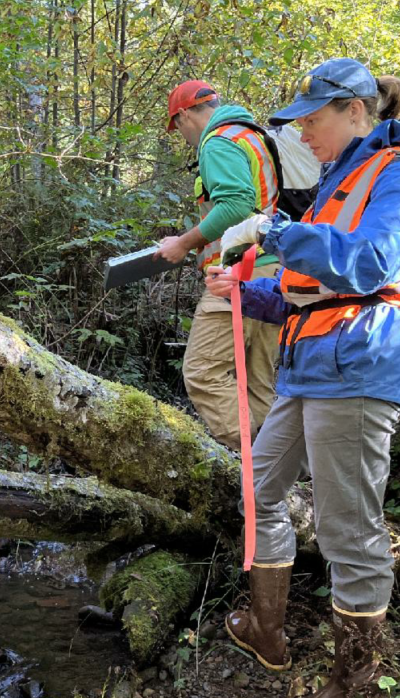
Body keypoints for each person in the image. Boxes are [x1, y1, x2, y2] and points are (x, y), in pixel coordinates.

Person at [204, 58, 400, 698]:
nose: (301, 134)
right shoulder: (337, 182)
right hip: (309, 366)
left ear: (357, 111)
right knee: (259, 486)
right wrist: (245, 293)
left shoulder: (395, 174)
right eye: (298, 123)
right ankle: (266, 632)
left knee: (346, 534)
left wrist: (274, 232)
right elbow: (309, 290)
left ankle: (352, 688)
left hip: (360, 366)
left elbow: (375, 266)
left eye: (312, 120)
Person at [156, 80, 282, 449]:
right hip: (274, 270)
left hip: (240, 271)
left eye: (177, 126)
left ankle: (254, 463)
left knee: (202, 372)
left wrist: (183, 243)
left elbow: (237, 206)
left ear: (184, 115)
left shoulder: (218, 141)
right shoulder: (252, 136)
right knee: (259, 381)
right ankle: (276, 481)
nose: (180, 134)